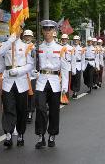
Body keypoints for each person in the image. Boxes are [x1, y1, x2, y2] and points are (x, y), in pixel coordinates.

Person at [34, 20, 69, 149]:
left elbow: (65, 68)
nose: (47, 32)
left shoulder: (60, 48)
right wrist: (34, 73)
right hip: (41, 81)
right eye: (45, 29)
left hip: (55, 81)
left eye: (50, 30)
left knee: (54, 110)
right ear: (42, 31)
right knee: (40, 108)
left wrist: (65, 85)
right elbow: (33, 64)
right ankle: (41, 135)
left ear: (54, 31)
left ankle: (52, 135)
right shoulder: (38, 47)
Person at [0, 26, 34, 147]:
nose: (15, 31)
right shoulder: (5, 44)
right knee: (8, 108)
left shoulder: (26, 46)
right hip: (8, 81)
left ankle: (21, 134)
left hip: (21, 82)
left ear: (22, 31)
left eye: (17, 29)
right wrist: (10, 40)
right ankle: (8, 134)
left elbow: (30, 65)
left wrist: (18, 71)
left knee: (21, 110)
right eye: (13, 29)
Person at [23, 29, 36, 123]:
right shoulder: (21, 46)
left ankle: (30, 112)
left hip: (31, 75)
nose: (27, 37)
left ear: (32, 37)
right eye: (26, 36)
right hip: (22, 74)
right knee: (23, 95)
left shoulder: (34, 48)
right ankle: (23, 112)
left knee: (31, 95)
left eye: (29, 36)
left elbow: (37, 62)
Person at [60, 34, 76, 101]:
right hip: (59, 67)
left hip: (68, 66)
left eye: (65, 39)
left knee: (67, 82)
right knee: (59, 83)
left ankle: (65, 98)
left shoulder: (71, 48)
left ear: (68, 39)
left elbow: (73, 60)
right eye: (63, 39)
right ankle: (59, 97)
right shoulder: (58, 47)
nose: (64, 40)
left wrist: (73, 69)